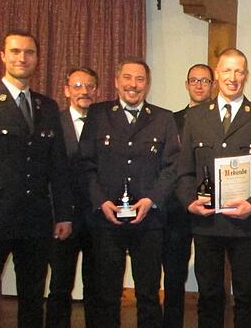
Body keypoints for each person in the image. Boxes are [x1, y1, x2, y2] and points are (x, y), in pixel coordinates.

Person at [175, 48, 251, 328]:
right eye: (227, 71)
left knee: (247, 296)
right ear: (217, 74)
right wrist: (189, 202)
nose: (233, 77)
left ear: (246, 75)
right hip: (207, 222)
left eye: (239, 71)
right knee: (209, 294)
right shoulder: (196, 117)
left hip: (246, 222)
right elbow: (184, 169)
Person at [79, 58, 180, 327]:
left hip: (148, 221)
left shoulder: (163, 118)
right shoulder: (98, 115)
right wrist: (100, 201)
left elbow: (172, 167)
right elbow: (86, 164)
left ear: (147, 84)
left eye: (139, 79)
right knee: (106, 293)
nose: (132, 85)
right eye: (127, 77)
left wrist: (152, 200)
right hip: (106, 219)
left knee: (148, 293)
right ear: (116, 81)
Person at [0, 31, 73, 327]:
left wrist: (63, 214)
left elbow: (58, 165)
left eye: (28, 52)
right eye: (15, 51)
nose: (22, 58)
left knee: (32, 296)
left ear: (37, 59)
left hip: (36, 220)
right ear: (3, 56)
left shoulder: (47, 106)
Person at [47, 67, 100, 328]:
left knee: (96, 286)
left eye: (89, 86)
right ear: (66, 89)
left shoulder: (104, 124)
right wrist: (59, 215)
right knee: (60, 285)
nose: (84, 91)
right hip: (64, 219)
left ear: (97, 90)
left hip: (97, 219)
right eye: (77, 85)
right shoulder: (53, 123)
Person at [165, 63, 214, 328]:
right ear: (186, 84)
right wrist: (184, 197)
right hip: (178, 208)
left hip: (210, 209)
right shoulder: (171, 121)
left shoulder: (221, 120)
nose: (198, 85)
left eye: (205, 81)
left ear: (212, 86)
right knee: (174, 274)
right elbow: (169, 164)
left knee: (208, 276)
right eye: (193, 80)